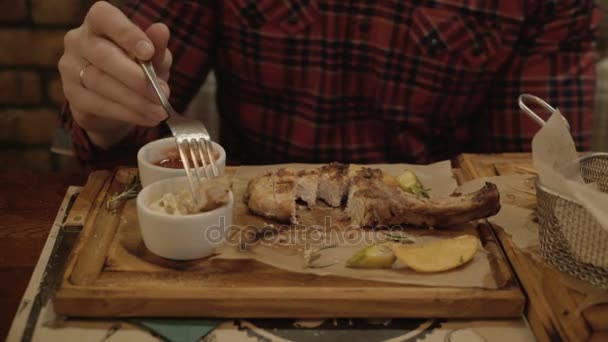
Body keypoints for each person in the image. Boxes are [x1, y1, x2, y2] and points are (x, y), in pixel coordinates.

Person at [58, 1, 600, 169]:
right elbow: (123, 124)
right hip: (240, 249)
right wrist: (108, 112)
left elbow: (531, 182)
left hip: (446, 268)